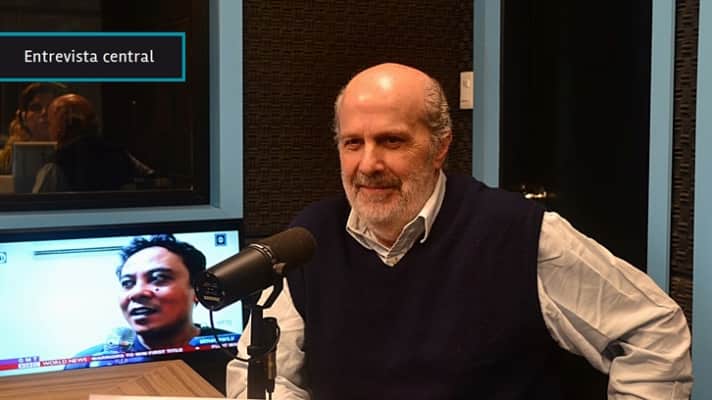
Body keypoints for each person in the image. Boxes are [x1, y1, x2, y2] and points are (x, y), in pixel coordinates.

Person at [226, 63, 693, 399]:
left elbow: (655, 331)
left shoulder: (520, 235)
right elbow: (264, 373)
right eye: (353, 143)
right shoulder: (310, 240)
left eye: (391, 140)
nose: (368, 164)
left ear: (440, 147)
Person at [66, 234, 232, 369]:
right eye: (127, 283)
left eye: (158, 278)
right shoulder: (86, 365)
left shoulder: (235, 353)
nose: (137, 292)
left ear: (197, 290)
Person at [32, 93, 154, 192]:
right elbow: (151, 179)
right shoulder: (120, 154)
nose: (49, 128)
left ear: (61, 126)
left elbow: (37, 207)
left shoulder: (54, 166)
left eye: (50, 122)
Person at [0, 82, 69, 174]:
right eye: (36, 108)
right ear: (23, 117)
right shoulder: (5, 161)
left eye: (52, 107)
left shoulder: (78, 155)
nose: (44, 112)